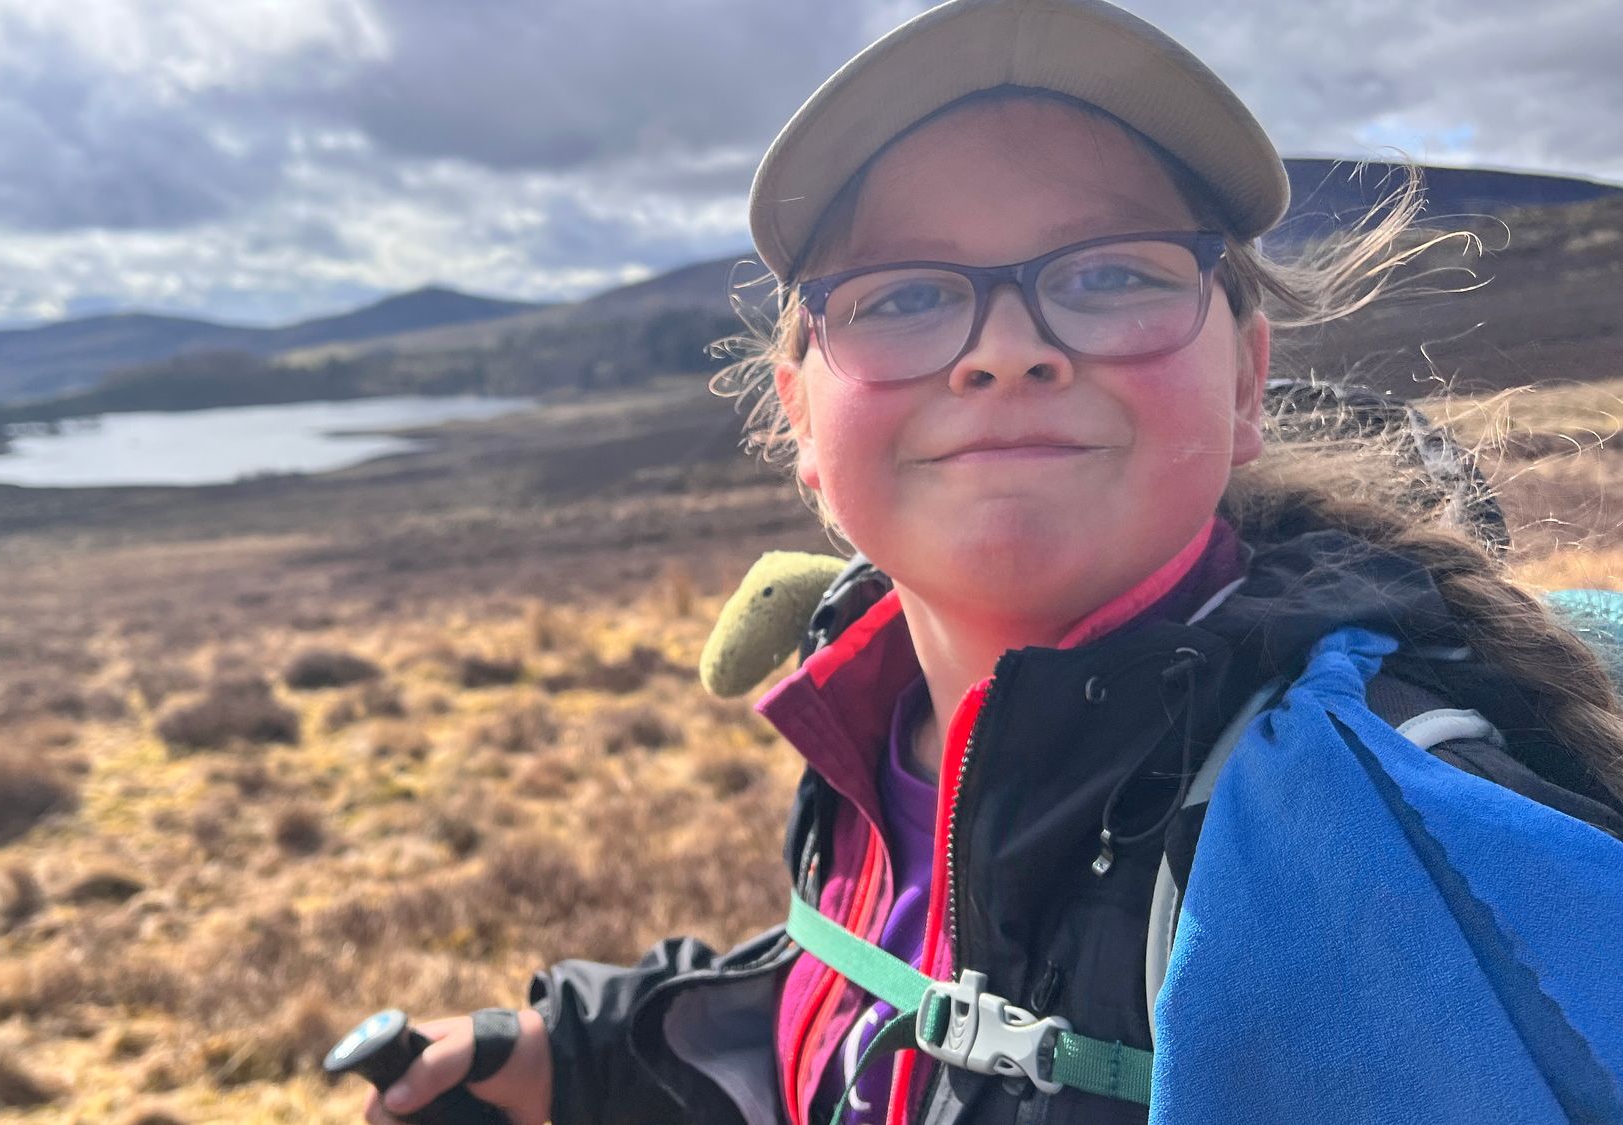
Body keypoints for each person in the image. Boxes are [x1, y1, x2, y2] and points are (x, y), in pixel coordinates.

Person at [363, 1, 1623, 1122]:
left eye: (1110, 272)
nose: (1005, 350)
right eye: (902, 295)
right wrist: (581, 1055)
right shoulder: (874, 708)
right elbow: (890, 999)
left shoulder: (1375, 849)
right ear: (799, 421)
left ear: (1245, 380)